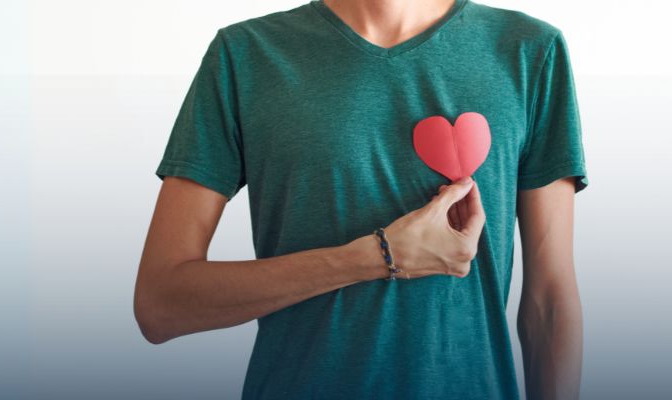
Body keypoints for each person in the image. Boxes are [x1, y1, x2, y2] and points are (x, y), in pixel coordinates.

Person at [133, 0, 589, 398]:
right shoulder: (245, 56)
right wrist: (376, 256)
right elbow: (161, 305)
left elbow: (549, 300)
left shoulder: (531, 52)